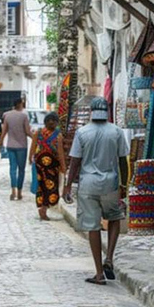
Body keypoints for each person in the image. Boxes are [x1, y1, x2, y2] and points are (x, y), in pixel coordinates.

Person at [63, 97, 129, 285]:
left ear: (91, 111)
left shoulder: (82, 132)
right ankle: (109, 258)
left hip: (88, 185)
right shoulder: (116, 131)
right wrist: (124, 185)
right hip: (110, 183)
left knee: (93, 227)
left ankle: (99, 273)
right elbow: (123, 160)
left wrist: (68, 185)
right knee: (114, 218)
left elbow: (75, 161)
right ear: (107, 111)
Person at [29, 112, 66, 221]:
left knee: (42, 186)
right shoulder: (58, 135)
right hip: (52, 166)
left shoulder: (38, 132)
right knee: (52, 186)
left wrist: (30, 158)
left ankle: (43, 207)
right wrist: (63, 166)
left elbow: (33, 146)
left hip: (40, 164)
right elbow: (60, 152)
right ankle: (44, 208)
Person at [0, 99, 31, 200]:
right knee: (21, 170)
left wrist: (0, 141)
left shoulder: (7, 116)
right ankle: (19, 192)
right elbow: (27, 131)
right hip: (22, 146)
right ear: (20, 104)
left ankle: (13, 190)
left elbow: (4, 130)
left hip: (10, 145)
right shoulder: (24, 116)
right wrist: (35, 137)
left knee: (12, 169)